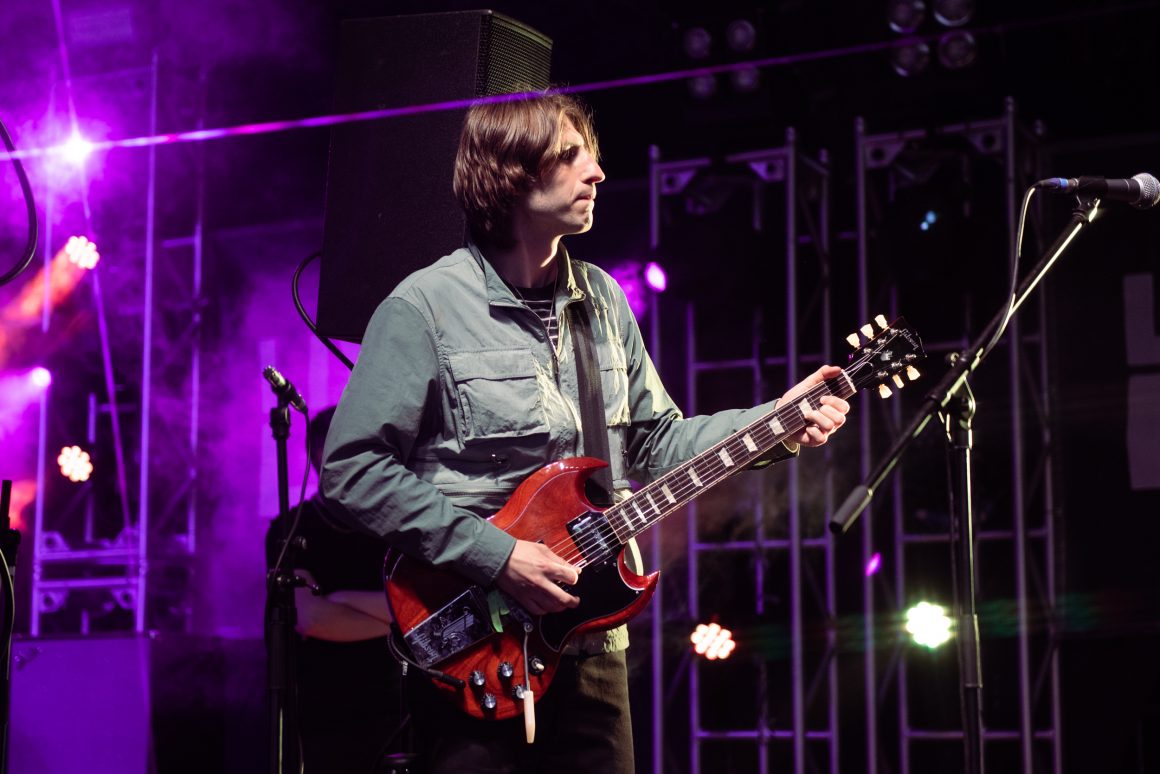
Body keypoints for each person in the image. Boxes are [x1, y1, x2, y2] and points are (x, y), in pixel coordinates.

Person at [320, 91, 850, 773]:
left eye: (592, 156)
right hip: (477, 644)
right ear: (510, 174)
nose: (597, 172)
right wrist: (498, 556)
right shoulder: (424, 308)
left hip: (593, 645)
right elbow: (352, 470)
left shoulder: (601, 300)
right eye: (571, 156)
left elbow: (655, 443)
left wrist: (776, 418)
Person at [266, 407, 408, 773]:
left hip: (395, 709)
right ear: (320, 456)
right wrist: (400, 622)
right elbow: (312, 618)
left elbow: (422, 609)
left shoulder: (398, 526)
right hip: (322, 712)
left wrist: (343, 599)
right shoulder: (291, 527)